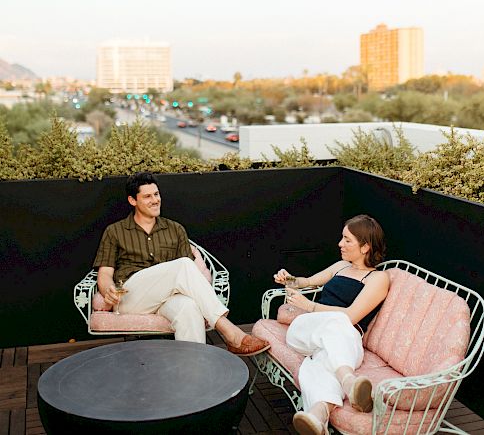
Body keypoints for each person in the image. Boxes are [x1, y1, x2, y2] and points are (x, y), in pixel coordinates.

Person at [94, 171, 270, 356]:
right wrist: (108, 291)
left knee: (189, 309)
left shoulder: (175, 229)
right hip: (132, 297)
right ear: (132, 201)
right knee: (184, 264)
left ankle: (192, 375)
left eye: (156, 194)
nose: (155, 200)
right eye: (147, 196)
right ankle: (230, 332)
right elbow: (105, 274)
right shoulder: (115, 231)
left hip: (166, 298)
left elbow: (188, 276)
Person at [273, 214, 389, 435]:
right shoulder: (340, 266)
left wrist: (309, 305)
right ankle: (348, 381)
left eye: (347, 240)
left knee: (320, 361)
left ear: (365, 247)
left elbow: (352, 317)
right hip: (306, 329)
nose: (340, 244)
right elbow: (305, 282)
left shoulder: (378, 279)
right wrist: (289, 279)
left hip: (346, 340)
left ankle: (318, 415)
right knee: (337, 323)